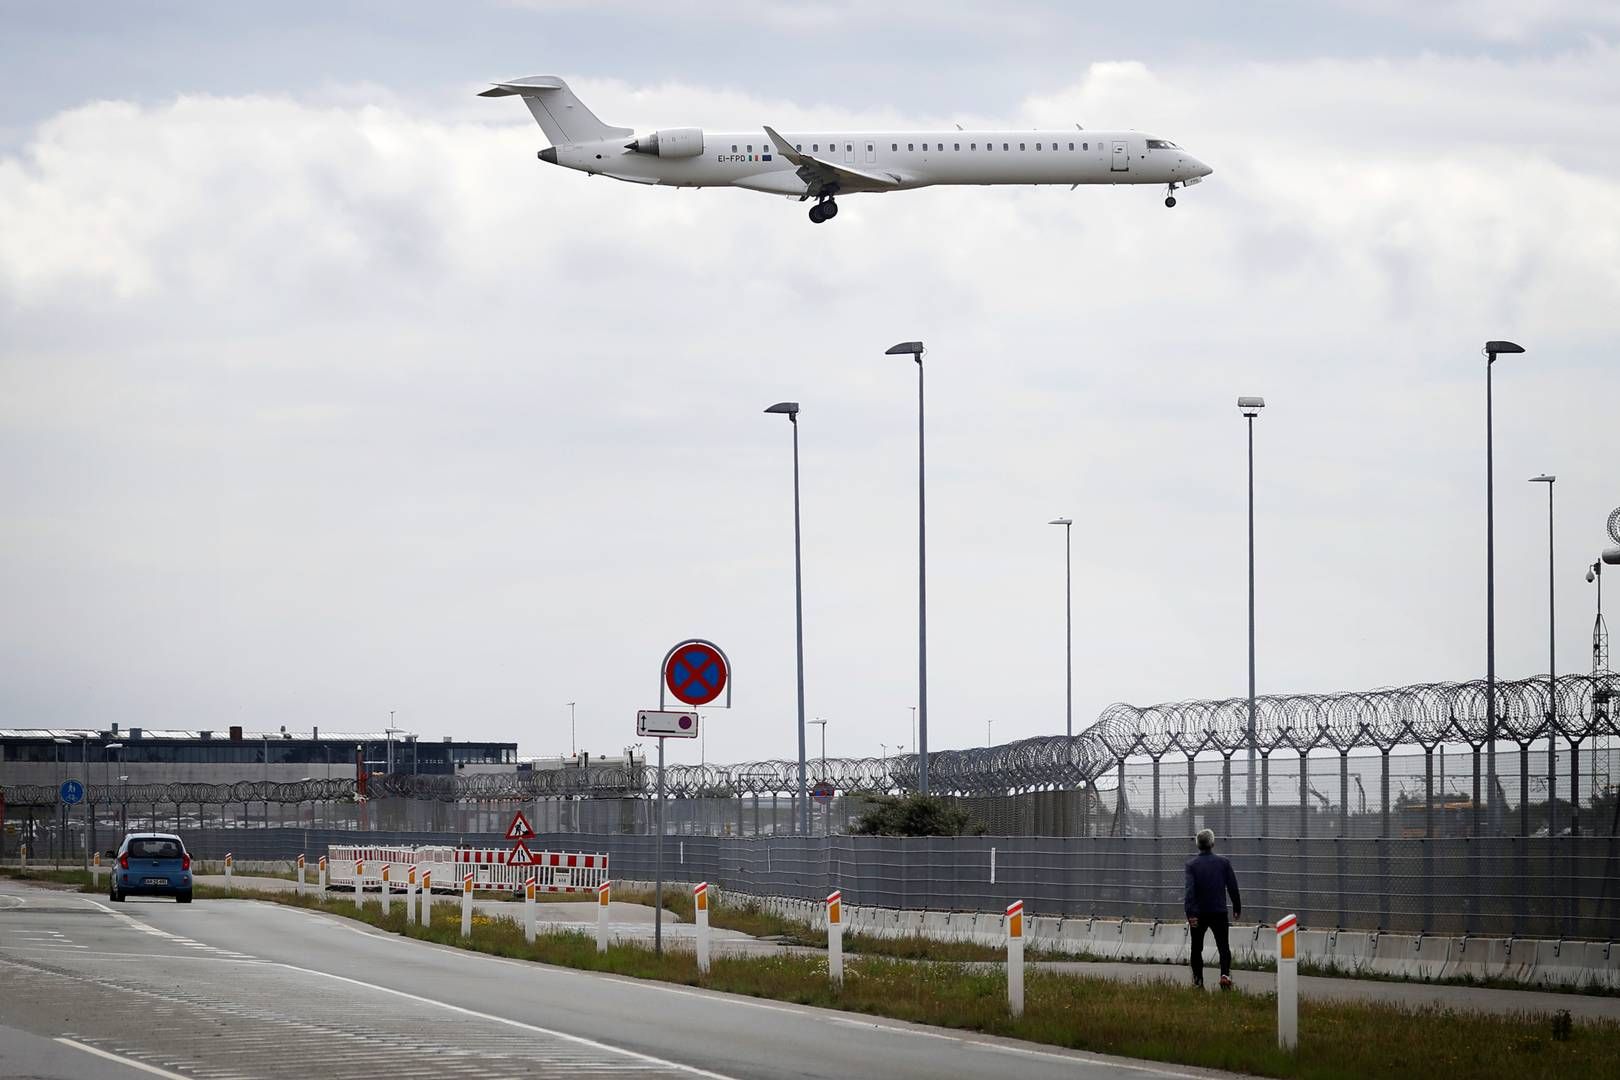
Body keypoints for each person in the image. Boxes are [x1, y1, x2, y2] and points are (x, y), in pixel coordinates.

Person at [1184, 828, 1242, 989]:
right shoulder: (1223, 863)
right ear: (1213, 843)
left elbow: (1189, 891)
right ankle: (1224, 974)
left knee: (1196, 948)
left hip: (1199, 913)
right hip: (1219, 911)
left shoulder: (1191, 865)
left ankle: (1198, 981)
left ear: (1197, 845)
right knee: (1223, 946)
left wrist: (1190, 913)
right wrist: (1237, 906)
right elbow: (1232, 886)